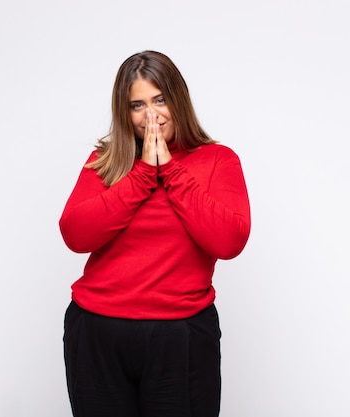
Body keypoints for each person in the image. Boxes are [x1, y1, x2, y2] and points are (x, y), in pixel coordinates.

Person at [58, 50, 251, 417]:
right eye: (137, 105)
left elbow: (228, 241)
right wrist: (143, 173)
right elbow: (75, 234)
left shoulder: (218, 160)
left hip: (181, 337)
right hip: (98, 331)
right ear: (124, 113)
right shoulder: (107, 159)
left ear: (177, 99)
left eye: (159, 100)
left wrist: (171, 172)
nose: (151, 115)